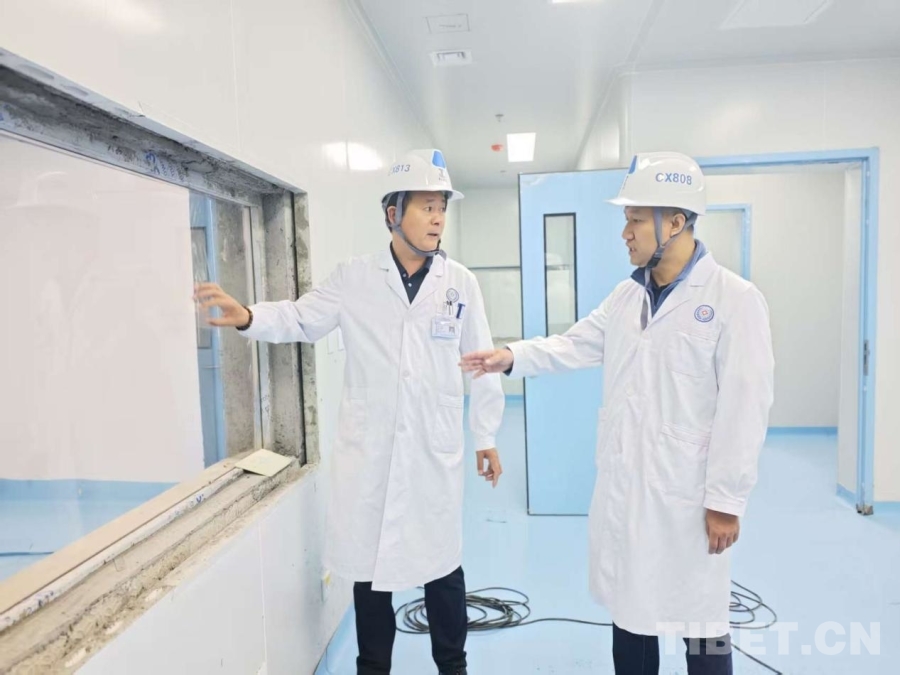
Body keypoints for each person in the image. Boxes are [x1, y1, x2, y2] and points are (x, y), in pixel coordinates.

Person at [461, 151, 774, 674]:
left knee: (702, 622)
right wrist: (511, 356)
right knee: (630, 611)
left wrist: (726, 499)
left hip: (688, 493)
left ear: (675, 222)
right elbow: (573, 344)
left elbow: (746, 407)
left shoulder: (734, 300)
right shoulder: (627, 298)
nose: (624, 233)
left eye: (635, 220)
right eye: (626, 219)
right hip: (628, 487)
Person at [196, 149, 505, 675]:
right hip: (372, 452)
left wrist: (486, 435)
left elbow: (483, 363)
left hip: (432, 452)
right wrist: (248, 315)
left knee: (443, 568)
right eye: (426, 206)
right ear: (393, 214)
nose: (437, 218)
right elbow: (301, 318)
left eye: (442, 208)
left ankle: (453, 668)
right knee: (370, 570)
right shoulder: (355, 278)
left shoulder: (461, 284)